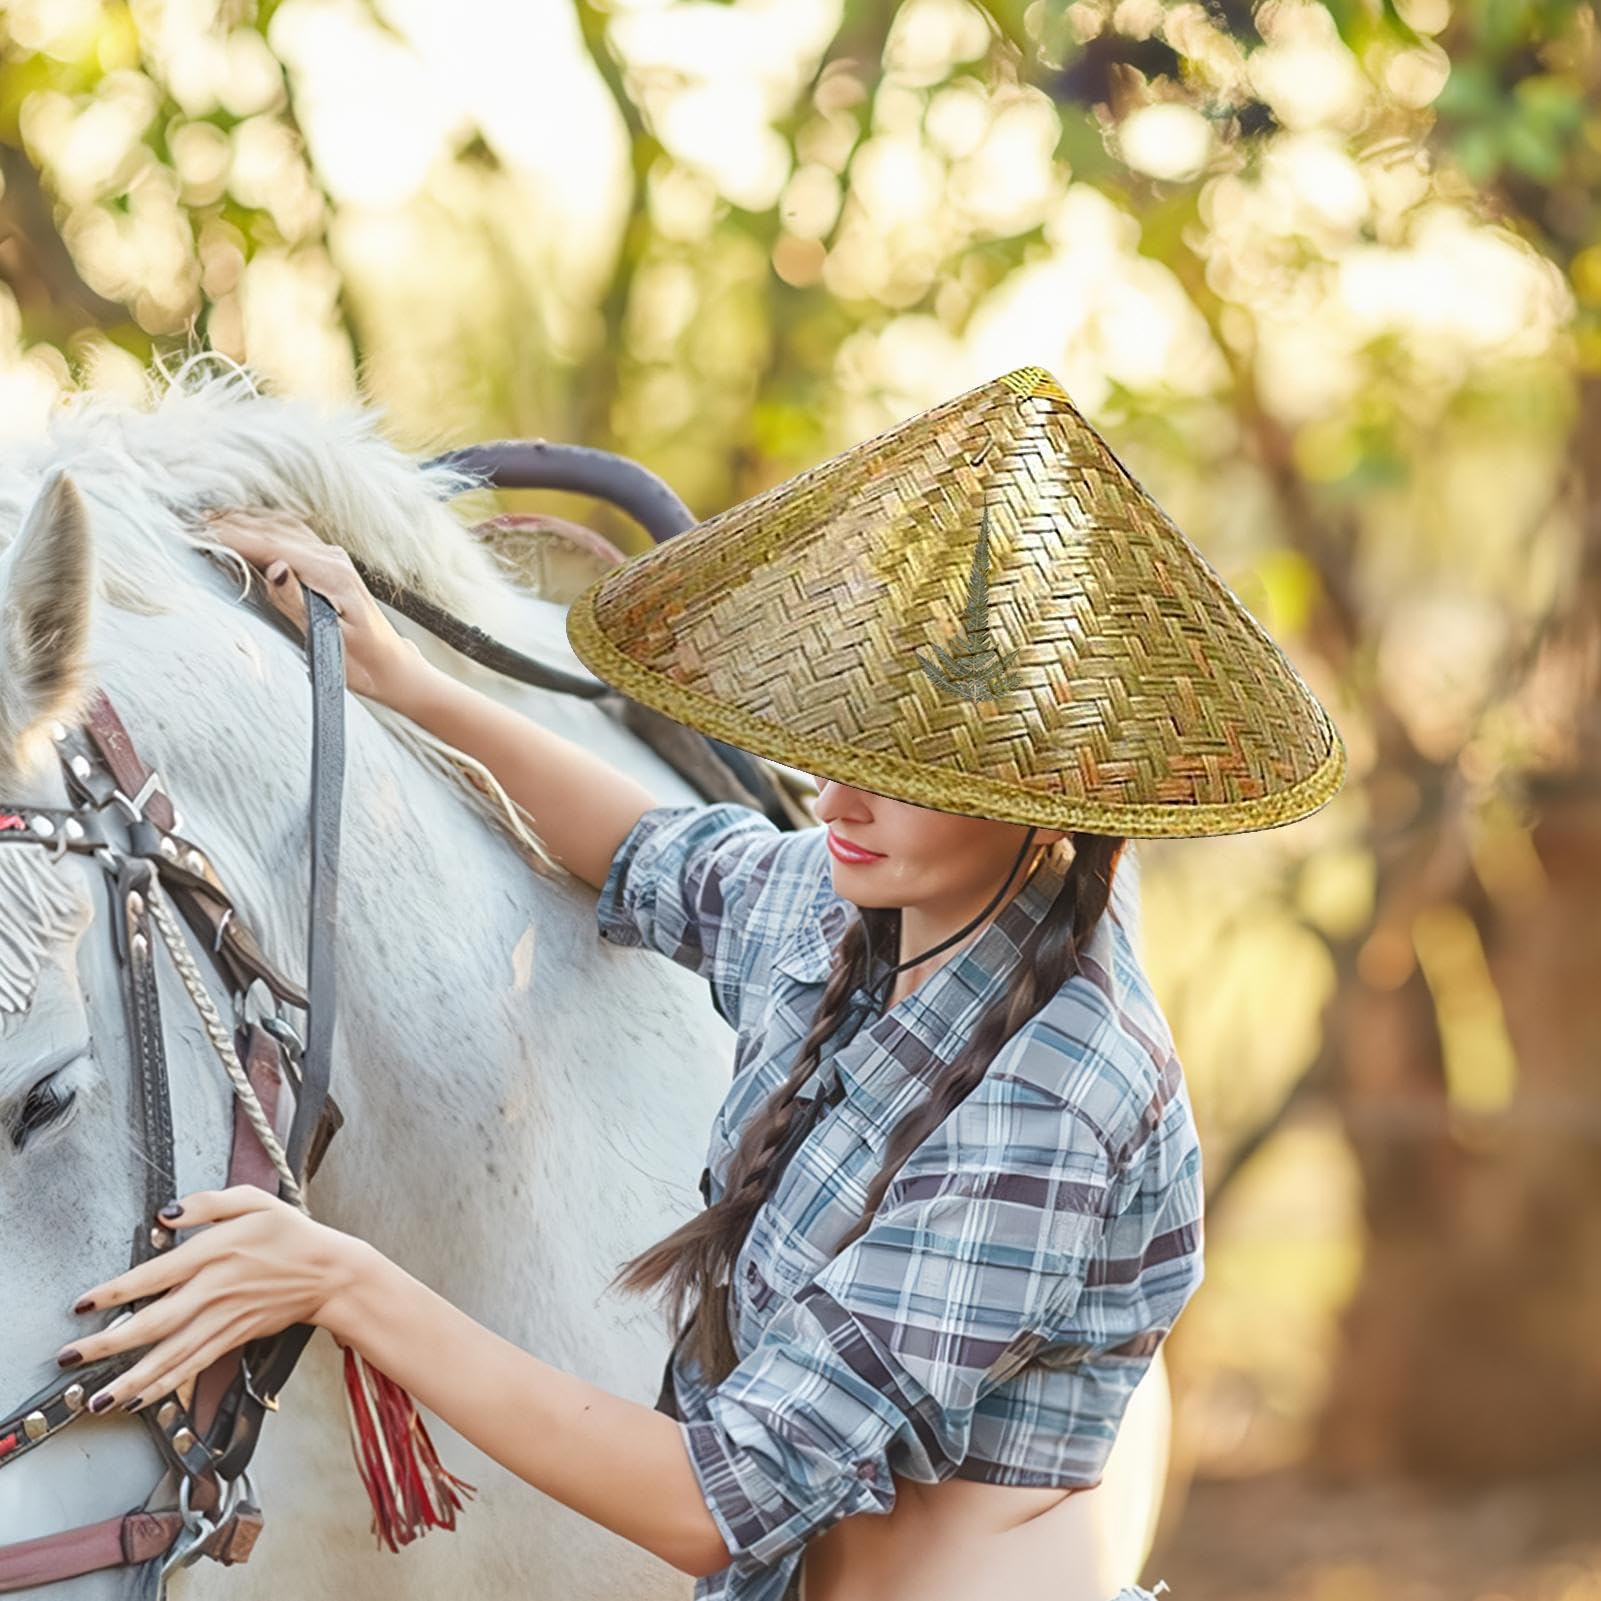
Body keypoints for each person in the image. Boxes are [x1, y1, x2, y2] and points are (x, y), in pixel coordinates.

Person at [61, 366, 1346, 1601]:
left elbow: (714, 1500)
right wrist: (403, 680)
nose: (834, 796)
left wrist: (345, 1280)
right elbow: (638, 846)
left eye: (895, 772)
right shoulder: (860, 913)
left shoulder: (1059, 1089)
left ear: (1035, 799)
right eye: (836, 745)